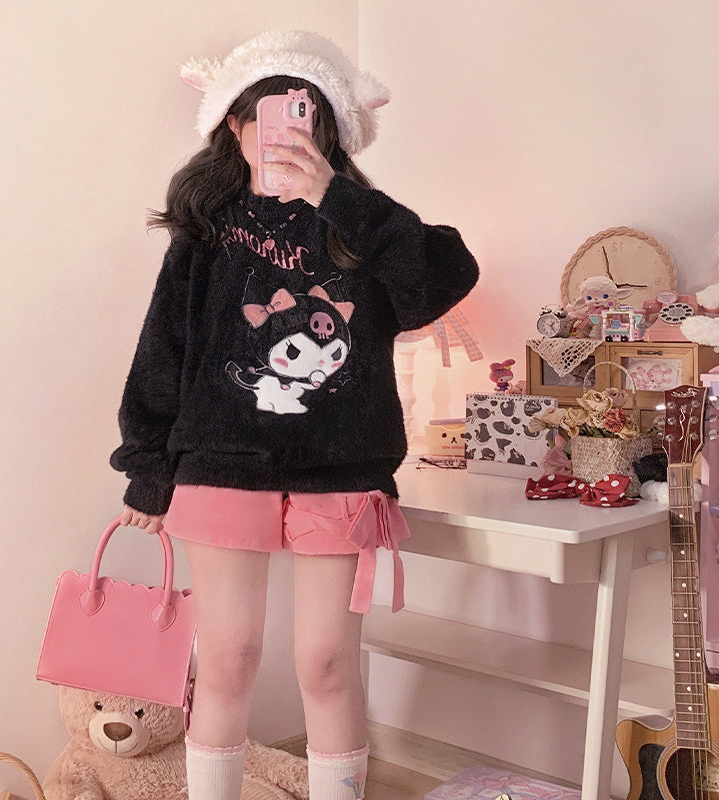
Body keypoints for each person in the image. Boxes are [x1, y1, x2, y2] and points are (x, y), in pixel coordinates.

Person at [110, 29, 479, 800]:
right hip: (220, 463)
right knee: (228, 658)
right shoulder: (205, 234)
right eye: (267, 115)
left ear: (334, 131)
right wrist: (147, 468)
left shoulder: (362, 226)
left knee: (328, 663)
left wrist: (338, 199)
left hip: (341, 470)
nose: (286, 133)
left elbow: (445, 275)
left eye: (307, 116)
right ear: (234, 125)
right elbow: (163, 349)